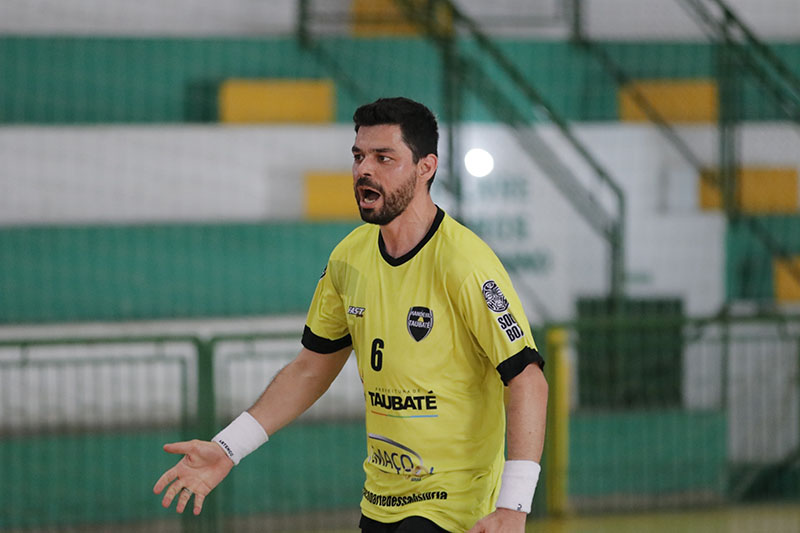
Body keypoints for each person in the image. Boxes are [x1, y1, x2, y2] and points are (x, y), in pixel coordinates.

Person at [153, 97, 548, 533]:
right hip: (380, 501)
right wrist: (229, 447)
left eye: (384, 158)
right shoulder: (349, 258)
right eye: (359, 156)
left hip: (455, 508)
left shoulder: (465, 263)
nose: (364, 170)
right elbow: (310, 370)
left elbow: (527, 379)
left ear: (426, 167)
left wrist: (514, 505)